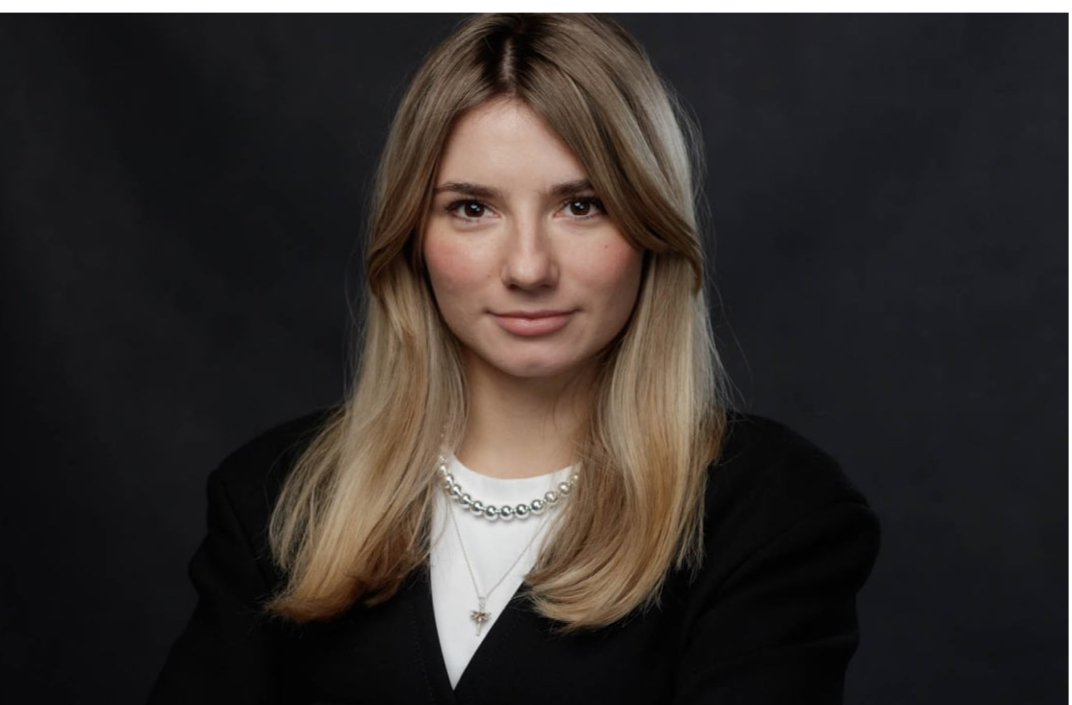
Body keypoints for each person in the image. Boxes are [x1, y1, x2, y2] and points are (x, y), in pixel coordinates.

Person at [149, 13, 879, 705]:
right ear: (412, 236)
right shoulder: (276, 499)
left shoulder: (773, 512)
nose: (528, 267)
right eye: (473, 208)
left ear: (652, 225)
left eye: (582, 205)